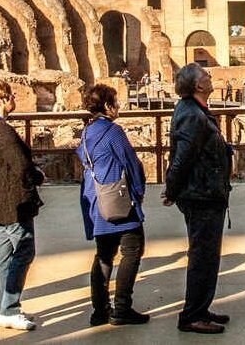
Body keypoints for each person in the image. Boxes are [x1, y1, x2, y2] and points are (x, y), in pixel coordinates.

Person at [163, 63, 232, 334]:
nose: (210, 77)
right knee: (203, 256)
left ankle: (201, 308)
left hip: (206, 193)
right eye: (205, 76)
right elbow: (182, 158)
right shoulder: (192, 114)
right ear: (197, 86)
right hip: (201, 195)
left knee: (208, 256)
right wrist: (171, 189)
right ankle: (191, 315)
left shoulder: (196, 111)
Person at [76, 84, 149, 327]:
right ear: (107, 106)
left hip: (97, 201)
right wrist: (138, 194)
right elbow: (130, 163)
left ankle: (99, 311)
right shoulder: (113, 132)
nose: (118, 107)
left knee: (104, 255)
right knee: (132, 250)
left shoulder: (86, 133)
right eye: (115, 103)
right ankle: (122, 308)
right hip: (118, 200)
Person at [0, 79, 44, 331]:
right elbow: (21, 165)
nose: (14, 99)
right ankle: (9, 309)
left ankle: (2, 308)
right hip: (13, 202)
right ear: (3, 99)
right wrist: (38, 176)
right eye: (11, 95)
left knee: (3, 256)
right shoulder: (1, 129)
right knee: (24, 252)